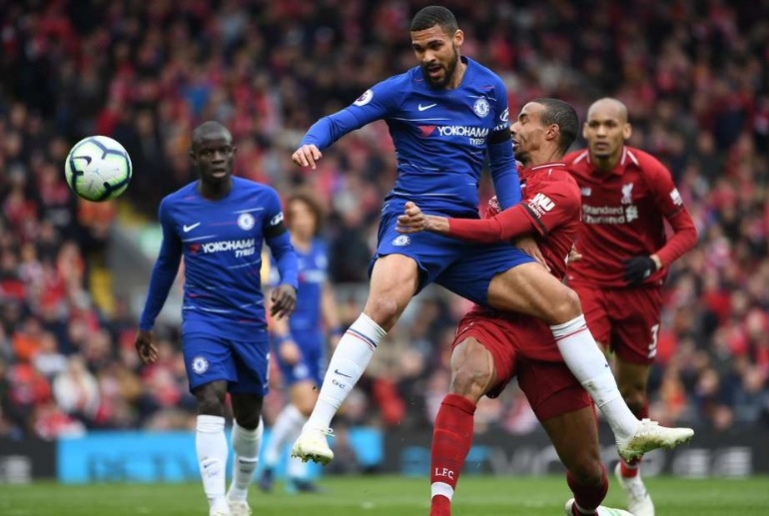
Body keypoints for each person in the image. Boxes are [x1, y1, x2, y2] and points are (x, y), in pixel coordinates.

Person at [290, 5, 693, 466]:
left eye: (435, 46)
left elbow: (502, 164)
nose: (427, 56)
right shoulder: (399, 90)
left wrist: (520, 230)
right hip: (414, 220)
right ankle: (316, 427)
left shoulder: (490, 88)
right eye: (419, 49)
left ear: (457, 39)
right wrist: (312, 142)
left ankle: (625, 428)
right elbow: (338, 120)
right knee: (383, 305)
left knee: (563, 302)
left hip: (467, 231)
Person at [398, 99, 632, 516]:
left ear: (551, 133)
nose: (514, 126)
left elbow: (498, 228)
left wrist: (436, 223)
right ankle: (439, 509)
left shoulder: (561, 185)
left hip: (548, 327)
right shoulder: (512, 178)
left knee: (588, 474)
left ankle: (585, 511)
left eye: (524, 119)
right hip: (495, 315)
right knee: (466, 374)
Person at [135, 121, 299, 516]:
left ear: (233, 153)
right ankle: (216, 505)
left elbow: (284, 249)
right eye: (208, 152)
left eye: (223, 150)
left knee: (249, 414)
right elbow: (165, 265)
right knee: (209, 397)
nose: (217, 158)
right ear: (194, 157)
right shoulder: (175, 207)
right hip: (202, 319)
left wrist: (289, 283)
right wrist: (147, 322)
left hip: (249, 322)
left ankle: (238, 494)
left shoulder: (262, 199)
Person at [563, 98, 698, 516]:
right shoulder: (569, 169)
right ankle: (589, 480)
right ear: (585, 131)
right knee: (589, 371)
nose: (601, 132)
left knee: (634, 392)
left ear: (626, 131)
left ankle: (630, 473)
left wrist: (655, 261)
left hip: (640, 289)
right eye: (594, 125)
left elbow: (687, 230)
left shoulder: (649, 172)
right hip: (588, 284)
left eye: (610, 125)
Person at [259, 192, 341, 494]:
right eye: (297, 215)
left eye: (307, 213)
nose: (303, 220)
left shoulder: (319, 249)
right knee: (307, 404)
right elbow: (274, 297)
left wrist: (335, 331)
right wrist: (282, 338)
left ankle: (295, 474)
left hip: (314, 339)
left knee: (309, 407)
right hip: (291, 336)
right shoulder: (283, 251)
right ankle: (269, 463)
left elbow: (325, 294)